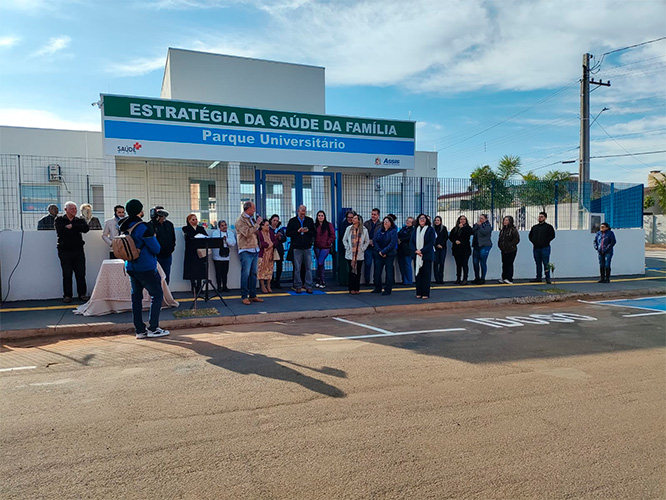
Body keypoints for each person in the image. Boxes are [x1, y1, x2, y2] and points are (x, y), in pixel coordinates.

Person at [119, 199, 169, 340]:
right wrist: (153, 236)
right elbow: (156, 248)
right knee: (157, 295)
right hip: (146, 266)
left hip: (130, 266)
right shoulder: (144, 227)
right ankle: (153, 327)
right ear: (140, 211)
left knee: (136, 298)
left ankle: (139, 330)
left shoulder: (123, 225)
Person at [54, 201, 90, 303]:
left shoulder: (79, 220)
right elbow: (61, 231)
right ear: (66, 210)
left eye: (75, 209)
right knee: (67, 273)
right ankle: (67, 295)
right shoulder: (60, 220)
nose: (74, 211)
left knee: (81, 273)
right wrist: (75, 228)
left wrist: (73, 226)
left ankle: (82, 294)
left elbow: (86, 228)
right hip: (64, 251)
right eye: (72, 209)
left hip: (78, 250)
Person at [235, 201, 264, 305]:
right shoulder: (240, 221)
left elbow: (255, 232)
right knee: (245, 273)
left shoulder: (251, 219)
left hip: (254, 249)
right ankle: (244, 296)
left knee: (253, 274)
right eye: (253, 208)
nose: (255, 210)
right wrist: (257, 224)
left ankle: (253, 295)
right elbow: (247, 233)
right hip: (246, 249)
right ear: (248, 209)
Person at [286, 205, 316, 294]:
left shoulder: (309, 220)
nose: (303, 212)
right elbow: (288, 233)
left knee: (308, 267)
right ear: (298, 211)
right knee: (297, 268)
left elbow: (314, 232)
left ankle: (308, 285)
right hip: (297, 247)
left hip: (307, 247)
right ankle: (298, 285)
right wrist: (297, 232)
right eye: (302, 210)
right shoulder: (292, 221)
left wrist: (308, 231)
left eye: (304, 210)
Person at [342, 214, 370, 294]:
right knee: (351, 272)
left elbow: (367, 241)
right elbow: (344, 239)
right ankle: (351, 288)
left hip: (359, 254)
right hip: (350, 254)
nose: (353, 219)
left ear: (359, 220)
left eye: (355, 218)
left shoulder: (364, 230)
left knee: (358, 272)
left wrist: (363, 248)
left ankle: (357, 288)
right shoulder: (349, 229)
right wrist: (347, 247)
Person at [182, 213, 208, 295]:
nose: (195, 221)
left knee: (200, 268)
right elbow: (190, 237)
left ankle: (199, 286)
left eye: (196, 219)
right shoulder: (185, 228)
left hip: (199, 251)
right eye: (193, 219)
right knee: (192, 269)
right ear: (189, 221)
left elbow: (205, 236)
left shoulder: (201, 228)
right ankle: (193, 286)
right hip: (191, 251)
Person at [410, 213, 436, 299]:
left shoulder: (430, 230)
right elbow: (411, 242)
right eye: (420, 218)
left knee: (426, 275)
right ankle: (419, 292)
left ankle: (425, 293)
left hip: (426, 255)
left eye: (424, 218)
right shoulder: (415, 230)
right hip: (417, 255)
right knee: (418, 275)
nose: (422, 220)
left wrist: (422, 251)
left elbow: (431, 243)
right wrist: (416, 251)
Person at [372, 216, 398, 295]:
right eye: (384, 221)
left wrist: (384, 251)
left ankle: (387, 289)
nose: (385, 223)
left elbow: (392, 243)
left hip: (389, 255)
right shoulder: (379, 231)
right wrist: (379, 251)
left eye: (387, 221)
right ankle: (377, 287)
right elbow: (375, 241)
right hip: (379, 254)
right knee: (377, 272)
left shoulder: (393, 232)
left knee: (389, 272)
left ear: (391, 223)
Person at [151, 206, 176, 284]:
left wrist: (171, 249)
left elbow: (173, 238)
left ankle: (166, 293)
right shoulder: (150, 225)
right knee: (154, 276)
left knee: (166, 276)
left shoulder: (169, 225)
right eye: (159, 215)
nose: (162, 217)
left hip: (167, 255)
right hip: (155, 256)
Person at [529, 211, 556, 284]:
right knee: (538, 263)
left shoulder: (548, 227)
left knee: (546, 263)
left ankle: (547, 278)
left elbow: (552, 236)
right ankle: (538, 277)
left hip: (545, 248)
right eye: (539, 217)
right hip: (536, 248)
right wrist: (534, 242)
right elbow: (530, 236)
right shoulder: (535, 227)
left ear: (545, 218)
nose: (540, 218)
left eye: (541, 217)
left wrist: (546, 242)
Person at [211, 219, 236, 292]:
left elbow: (232, 243)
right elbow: (215, 242)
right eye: (222, 225)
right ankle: (219, 286)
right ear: (219, 227)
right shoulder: (215, 233)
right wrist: (223, 241)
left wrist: (226, 240)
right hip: (217, 256)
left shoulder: (230, 233)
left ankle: (225, 286)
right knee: (218, 272)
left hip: (226, 256)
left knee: (225, 272)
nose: (224, 227)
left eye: (225, 225)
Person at [314, 210, 336, 288]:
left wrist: (328, 242)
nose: (320, 217)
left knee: (320, 262)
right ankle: (319, 280)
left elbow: (333, 235)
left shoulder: (328, 225)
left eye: (322, 215)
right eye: (319, 215)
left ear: (324, 217)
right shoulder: (315, 225)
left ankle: (322, 280)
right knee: (319, 264)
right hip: (317, 247)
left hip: (325, 247)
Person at [449, 215, 473, 285]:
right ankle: (458, 278)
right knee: (458, 264)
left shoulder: (468, 228)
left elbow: (468, 234)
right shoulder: (455, 228)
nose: (462, 221)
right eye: (461, 219)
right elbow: (450, 237)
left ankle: (465, 278)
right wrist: (455, 241)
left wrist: (462, 228)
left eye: (464, 219)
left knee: (464, 264)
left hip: (465, 249)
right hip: (457, 249)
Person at [498, 215, 520, 284]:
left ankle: (509, 278)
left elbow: (516, 239)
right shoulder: (502, 230)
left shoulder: (513, 230)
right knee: (504, 264)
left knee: (509, 263)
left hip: (511, 250)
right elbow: (500, 239)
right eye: (504, 220)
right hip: (503, 250)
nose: (505, 221)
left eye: (507, 220)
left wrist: (510, 245)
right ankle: (504, 277)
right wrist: (500, 246)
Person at [472, 214, 493, 285]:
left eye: (482, 218)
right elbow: (472, 231)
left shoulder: (488, 226)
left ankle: (483, 278)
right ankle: (476, 277)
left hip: (484, 246)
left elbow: (485, 232)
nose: (480, 220)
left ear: (485, 219)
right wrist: (476, 226)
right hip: (476, 246)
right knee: (475, 262)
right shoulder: (476, 225)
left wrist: (480, 226)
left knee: (482, 262)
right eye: (479, 218)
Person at [257, 219, 277, 293]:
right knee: (261, 269)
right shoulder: (259, 234)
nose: (268, 227)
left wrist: (272, 243)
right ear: (262, 226)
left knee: (270, 269)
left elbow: (275, 241)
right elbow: (261, 244)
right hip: (263, 254)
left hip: (270, 254)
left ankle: (268, 285)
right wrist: (269, 244)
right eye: (267, 225)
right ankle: (262, 285)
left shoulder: (271, 233)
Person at [337, 210, 355, 286]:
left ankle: (351, 281)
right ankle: (343, 281)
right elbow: (342, 237)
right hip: (344, 248)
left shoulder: (357, 226)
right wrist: (347, 247)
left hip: (354, 249)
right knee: (344, 265)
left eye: (352, 217)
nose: (350, 219)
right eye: (348, 217)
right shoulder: (343, 225)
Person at [363, 208, 381, 286]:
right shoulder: (366, 223)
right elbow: (363, 234)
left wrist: (375, 242)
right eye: (372, 214)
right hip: (368, 247)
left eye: (375, 214)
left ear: (378, 215)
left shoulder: (381, 225)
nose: (373, 216)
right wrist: (369, 241)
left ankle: (376, 281)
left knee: (377, 265)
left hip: (377, 247)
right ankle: (367, 281)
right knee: (368, 264)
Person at [269, 214, 286, 289]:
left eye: (277, 221)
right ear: (271, 220)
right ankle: (271, 282)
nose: (275, 222)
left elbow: (284, 239)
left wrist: (280, 237)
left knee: (279, 265)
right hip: (270, 249)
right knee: (271, 266)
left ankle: (278, 281)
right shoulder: (268, 229)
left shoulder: (280, 229)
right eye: (274, 220)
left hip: (279, 249)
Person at [397, 217, 415, 285]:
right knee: (401, 266)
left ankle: (408, 281)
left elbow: (409, 238)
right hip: (401, 250)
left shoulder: (413, 230)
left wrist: (401, 240)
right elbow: (398, 234)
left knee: (407, 265)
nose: (408, 222)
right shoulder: (403, 228)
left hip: (408, 250)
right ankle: (404, 280)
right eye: (407, 220)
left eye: (410, 221)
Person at [433, 216, 448, 284]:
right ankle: (437, 279)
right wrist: (436, 244)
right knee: (435, 263)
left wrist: (441, 244)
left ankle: (441, 278)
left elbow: (446, 237)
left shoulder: (443, 228)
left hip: (442, 247)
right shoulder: (432, 229)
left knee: (441, 263)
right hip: (435, 248)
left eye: (438, 220)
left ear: (440, 221)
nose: (436, 221)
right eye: (435, 220)